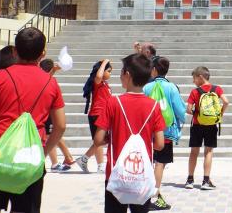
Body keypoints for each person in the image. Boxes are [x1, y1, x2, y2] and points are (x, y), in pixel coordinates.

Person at [0, 27, 66, 213]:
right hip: (31, 155)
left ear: (14, 51)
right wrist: (43, 152)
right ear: (43, 53)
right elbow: (60, 126)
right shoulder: (50, 82)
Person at [94, 53, 166, 213]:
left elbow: (98, 139)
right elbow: (160, 144)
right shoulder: (154, 106)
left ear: (127, 75)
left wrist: (112, 138)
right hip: (142, 176)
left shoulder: (113, 102)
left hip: (116, 173)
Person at [143, 57, 186, 210]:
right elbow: (180, 110)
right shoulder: (172, 88)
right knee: (160, 164)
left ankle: (146, 194)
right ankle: (154, 194)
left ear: (154, 69)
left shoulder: (147, 87)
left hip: (147, 132)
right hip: (165, 132)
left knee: (149, 162)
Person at [186, 66, 229, 190]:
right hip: (211, 125)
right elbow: (226, 102)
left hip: (197, 125)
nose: (193, 81)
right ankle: (205, 181)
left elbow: (188, 110)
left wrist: (196, 112)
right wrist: (220, 114)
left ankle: (190, 180)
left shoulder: (195, 91)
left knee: (194, 151)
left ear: (200, 77)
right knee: (208, 152)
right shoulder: (217, 89)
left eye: (194, 78)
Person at [76, 59, 113, 173]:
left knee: (101, 141)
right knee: (99, 141)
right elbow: (98, 76)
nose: (110, 73)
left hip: (103, 115)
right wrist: (104, 63)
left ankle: (84, 159)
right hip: (97, 114)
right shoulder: (98, 82)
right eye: (109, 71)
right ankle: (100, 165)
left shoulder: (105, 85)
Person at [39, 58, 75, 172]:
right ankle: (56, 163)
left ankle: (66, 157)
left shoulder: (42, 77)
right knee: (51, 135)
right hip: (47, 111)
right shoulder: (49, 81)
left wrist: (53, 69)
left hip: (44, 111)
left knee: (52, 134)